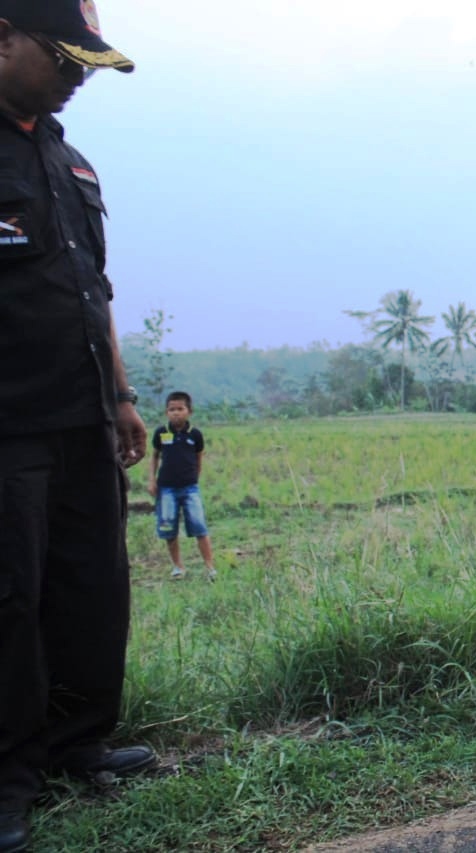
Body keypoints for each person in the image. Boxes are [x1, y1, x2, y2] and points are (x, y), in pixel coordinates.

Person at [0, 3, 153, 850]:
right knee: (9, 602)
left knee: (92, 586)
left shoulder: (72, 163)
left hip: (83, 414)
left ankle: (76, 744)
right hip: (9, 426)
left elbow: (95, 294)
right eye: (63, 59)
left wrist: (123, 397)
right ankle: (8, 779)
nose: (78, 76)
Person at [148, 391, 217, 581]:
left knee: (199, 526)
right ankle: (178, 566)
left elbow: (198, 457)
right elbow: (154, 456)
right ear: (166, 412)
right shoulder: (161, 433)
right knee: (169, 527)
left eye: (180, 409)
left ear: (189, 411)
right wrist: (152, 480)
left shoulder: (195, 434)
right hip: (166, 489)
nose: (176, 413)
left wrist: (196, 477)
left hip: (190, 488)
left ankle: (210, 567)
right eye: (171, 409)